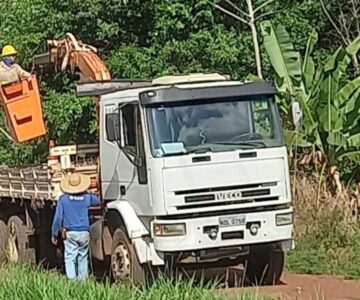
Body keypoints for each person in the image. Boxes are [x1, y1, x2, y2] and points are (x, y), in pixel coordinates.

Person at [51, 173, 101, 281]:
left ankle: (72, 282)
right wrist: (86, 192)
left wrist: (54, 233)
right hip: (84, 232)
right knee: (83, 257)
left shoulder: (63, 199)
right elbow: (98, 200)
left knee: (70, 257)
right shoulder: (87, 198)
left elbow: (58, 218)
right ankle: (83, 282)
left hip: (70, 233)